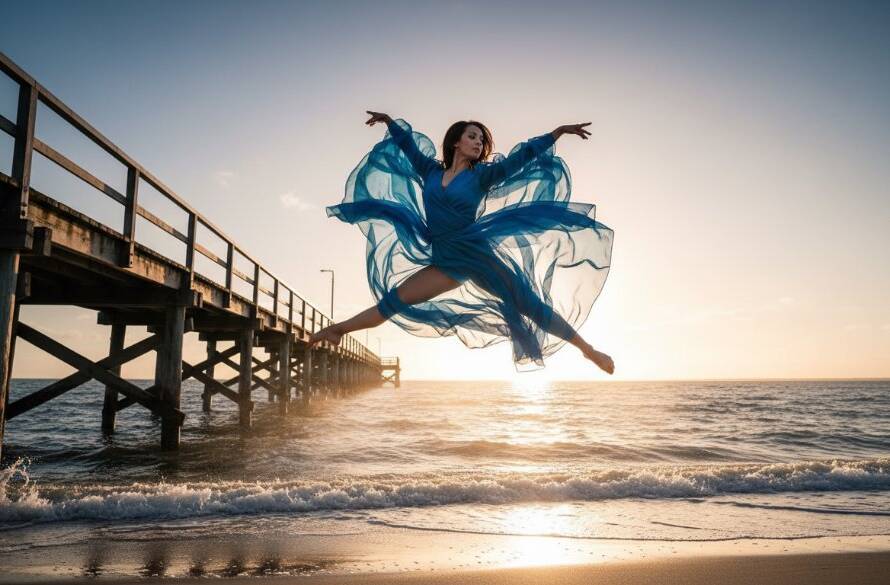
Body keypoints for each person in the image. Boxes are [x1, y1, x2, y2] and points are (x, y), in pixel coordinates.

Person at [309, 111, 615, 374]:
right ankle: (337, 330)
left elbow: (521, 159)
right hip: (444, 260)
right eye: (472, 136)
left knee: (528, 304)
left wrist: (556, 133)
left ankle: (587, 350)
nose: (478, 142)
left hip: (475, 255)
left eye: (482, 139)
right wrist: (390, 122)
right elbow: (409, 147)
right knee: (393, 302)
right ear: (456, 141)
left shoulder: (482, 176)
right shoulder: (430, 171)